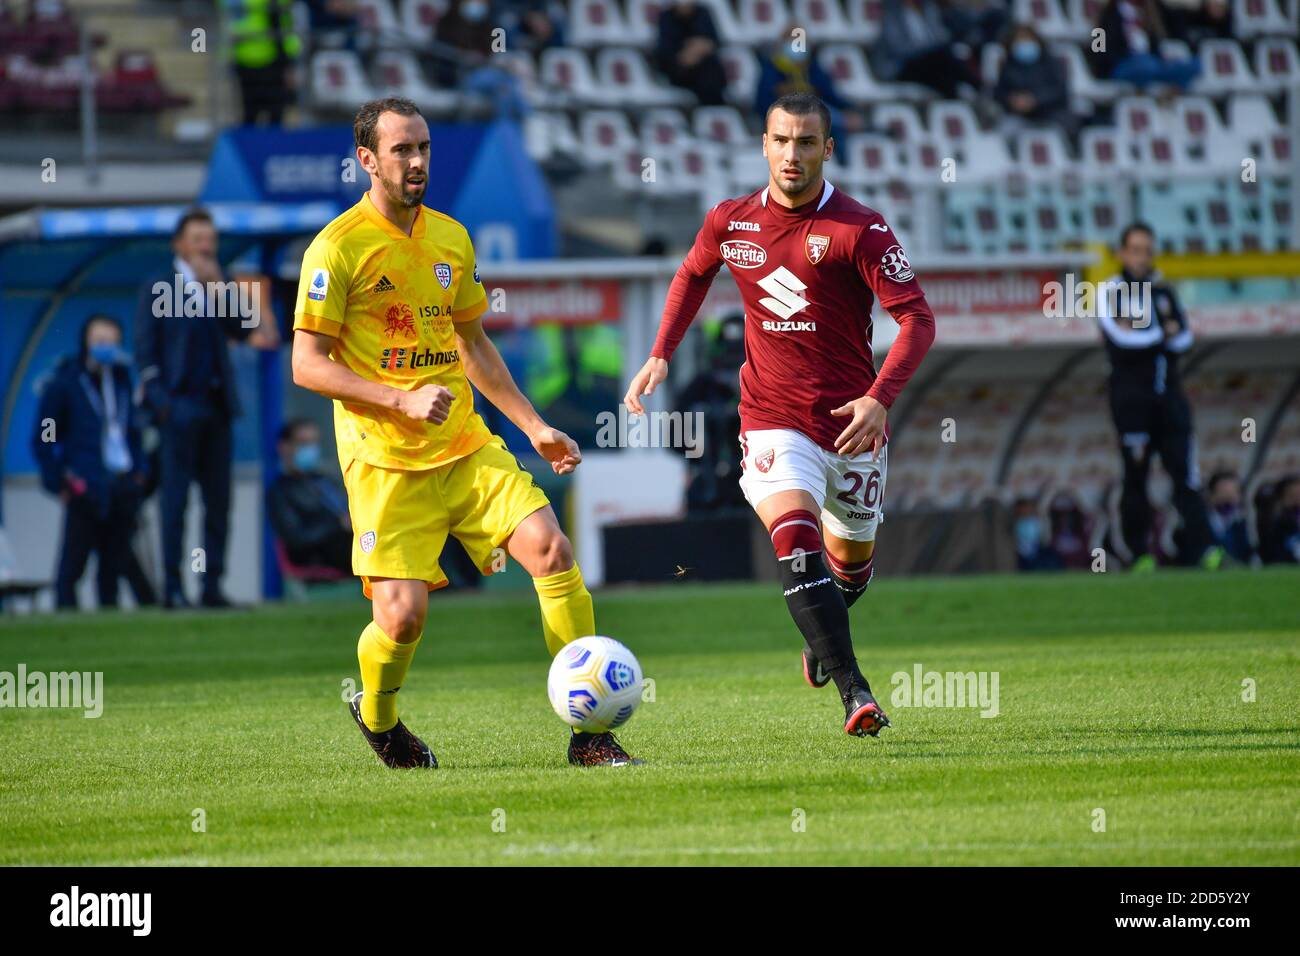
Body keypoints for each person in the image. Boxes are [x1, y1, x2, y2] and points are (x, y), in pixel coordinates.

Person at [291, 97, 638, 768]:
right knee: (402, 619)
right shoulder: (336, 248)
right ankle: (379, 715)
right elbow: (307, 363)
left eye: (423, 147)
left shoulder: (451, 237)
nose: (417, 161)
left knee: (551, 550)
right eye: (401, 150)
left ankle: (590, 735)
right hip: (385, 463)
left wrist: (533, 426)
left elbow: (472, 340)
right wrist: (396, 398)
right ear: (366, 159)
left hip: (465, 447)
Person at [624, 92, 937, 738]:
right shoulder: (730, 222)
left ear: (829, 149)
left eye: (806, 142)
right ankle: (856, 692)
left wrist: (880, 398)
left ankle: (821, 638)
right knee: (796, 543)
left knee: (849, 570)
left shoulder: (861, 229)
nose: (792, 154)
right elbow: (690, 275)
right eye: (781, 141)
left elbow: (918, 320)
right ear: (763, 146)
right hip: (771, 418)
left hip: (852, 424)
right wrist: (661, 353)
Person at [135, 207, 278, 609]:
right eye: (197, 240)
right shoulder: (158, 286)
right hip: (178, 410)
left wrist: (219, 288)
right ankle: (173, 588)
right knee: (174, 502)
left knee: (218, 502)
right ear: (179, 244)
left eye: (210, 241)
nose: (205, 247)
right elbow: (145, 352)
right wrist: (162, 405)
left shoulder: (222, 283)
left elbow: (245, 328)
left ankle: (211, 585)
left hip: (216, 410)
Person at [1096, 222, 1222, 570]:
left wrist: (1158, 334)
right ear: (1122, 253)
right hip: (1132, 404)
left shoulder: (1163, 290)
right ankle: (1139, 554)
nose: (1141, 257)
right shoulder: (1112, 290)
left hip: (1171, 400)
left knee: (1186, 476)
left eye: (1147, 250)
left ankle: (1205, 550)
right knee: (1135, 478)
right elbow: (1124, 339)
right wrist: (1159, 334)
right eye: (1135, 250)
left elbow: (1184, 338)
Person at [31, 316, 155, 610]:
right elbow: (45, 436)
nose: (105, 347)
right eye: (99, 341)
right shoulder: (65, 383)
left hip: (121, 483)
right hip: (84, 484)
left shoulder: (122, 380)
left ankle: (108, 619)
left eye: (111, 341)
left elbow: (133, 431)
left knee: (114, 563)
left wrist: (139, 472)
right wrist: (58, 479)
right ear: (86, 343)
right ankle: (65, 618)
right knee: (74, 562)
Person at [267, 418, 353, 574]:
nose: (310, 449)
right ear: (284, 447)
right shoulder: (280, 491)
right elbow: (296, 538)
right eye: (303, 443)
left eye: (314, 443)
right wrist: (338, 525)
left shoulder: (325, 480)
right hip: (316, 554)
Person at [754, 26, 865, 133]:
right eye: (792, 41)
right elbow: (763, 102)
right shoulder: (771, 69)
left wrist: (850, 109)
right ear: (783, 44)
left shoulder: (812, 68)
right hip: (785, 120)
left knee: (837, 126)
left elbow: (830, 95)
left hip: (814, 116)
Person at [873, 0, 981, 100]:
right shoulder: (893, 14)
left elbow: (941, 35)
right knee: (941, 57)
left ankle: (957, 96)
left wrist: (930, 49)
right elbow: (898, 48)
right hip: (901, 65)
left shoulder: (928, 10)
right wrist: (926, 50)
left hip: (929, 64)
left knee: (944, 67)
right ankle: (977, 85)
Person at [220, 0, 302, 126]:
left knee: (266, 112)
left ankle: (260, 142)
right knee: (260, 112)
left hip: (258, 56)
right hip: (260, 56)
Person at [1091, 0, 1200, 91]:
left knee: (1192, 65)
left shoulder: (1152, 12)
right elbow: (1099, 49)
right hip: (1122, 65)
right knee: (1145, 64)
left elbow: (1172, 35)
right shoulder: (1108, 14)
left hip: (1151, 63)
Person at [994, 23, 1075, 136]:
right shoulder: (1008, 65)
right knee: (1005, 129)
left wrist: (1035, 100)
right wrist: (1012, 100)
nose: (1024, 44)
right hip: (1019, 117)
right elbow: (999, 92)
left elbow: (1060, 91)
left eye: (1027, 39)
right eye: (1019, 41)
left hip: (1051, 115)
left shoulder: (1052, 63)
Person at [654, 0, 728, 106]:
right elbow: (666, 53)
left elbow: (713, 42)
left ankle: (712, 110)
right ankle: (713, 109)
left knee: (710, 71)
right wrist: (689, 54)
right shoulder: (666, 17)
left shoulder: (703, 13)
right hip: (680, 70)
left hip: (704, 67)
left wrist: (699, 50)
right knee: (707, 78)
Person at [1205, 470, 1253, 564]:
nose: (1228, 498)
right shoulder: (1202, 523)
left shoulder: (1243, 523)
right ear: (1211, 495)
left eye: (1232, 493)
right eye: (1223, 492)